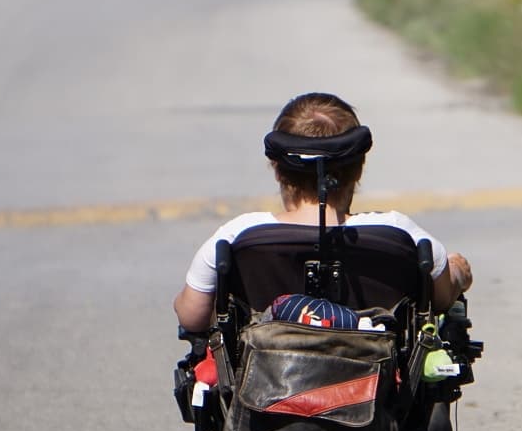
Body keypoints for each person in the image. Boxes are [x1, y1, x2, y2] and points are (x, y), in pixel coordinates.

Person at [174, 91, 473, 333]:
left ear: (277, 170)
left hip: (267, 388)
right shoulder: (401, 233)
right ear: (359, 170)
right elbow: (441, 298)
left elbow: (191, 318)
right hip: (374, 391)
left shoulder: (236, 237)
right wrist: (457, 272)